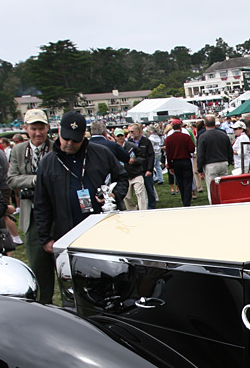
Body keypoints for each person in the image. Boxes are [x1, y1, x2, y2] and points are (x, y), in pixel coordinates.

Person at [33, 112, 128, 255]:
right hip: (67, 233)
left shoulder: (102, 153)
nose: (70, 143)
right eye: (66, 138)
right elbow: (41, 202)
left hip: (103, 228)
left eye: (75, 140)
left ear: (84, 135)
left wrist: (114, 195)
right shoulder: (47, 163)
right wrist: (45, 238)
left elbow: (122, 178)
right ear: (59, 131)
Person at [8, 108, 56, 303]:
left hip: (56, 214)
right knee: (38, 267)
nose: (38, 133)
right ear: (26, 129)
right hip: (32, 216)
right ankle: (45, 305)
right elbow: (12, 180)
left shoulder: (56, 148)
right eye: (34, 128)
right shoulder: (18, 151)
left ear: (47, 128)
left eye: (42, 128)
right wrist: (37, 181)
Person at [195, 115, 234, 191]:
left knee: (212, 188)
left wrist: (200, 169)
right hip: (223, 162)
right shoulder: (223, 134)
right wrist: (229, 161)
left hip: (210, 164)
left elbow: (201, 154)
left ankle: (214, 202)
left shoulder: (203, 136)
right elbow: (229, 150)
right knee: (224, 186)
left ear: (205, 125)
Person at [164, 118, 196, 206]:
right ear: (181, 127)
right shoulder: (186, 137)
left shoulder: (169, 139)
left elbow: (168, 154)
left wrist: (170, 166)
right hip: (186, 160)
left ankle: (184, 198)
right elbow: (192, 149)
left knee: (180, 181)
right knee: (187, 181)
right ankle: (187, 200)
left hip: (175, 162)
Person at [128, 124, 157, 210]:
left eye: (132, 131)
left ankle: (151, 206)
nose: (130, 133)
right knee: (138, 191)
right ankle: (139, 207)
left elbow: (151, 156)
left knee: (149, 189)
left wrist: (149, 169)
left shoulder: (146, 141)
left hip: (145, 169)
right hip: (135, 170)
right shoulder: (129, 142)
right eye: (129, 131)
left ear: (138, 131)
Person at [120, 129, 148, 211]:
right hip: (124, 176)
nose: (120, 137)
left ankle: (143, 211)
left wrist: (134, 161)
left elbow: (142, 157)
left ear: (125, 136)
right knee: (127, 197)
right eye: (118, 136)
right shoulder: (115, 148)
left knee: (140, 193)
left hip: (136, 173)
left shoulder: (131, 146)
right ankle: (132, 212)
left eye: (122, 135)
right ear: (115, 137)